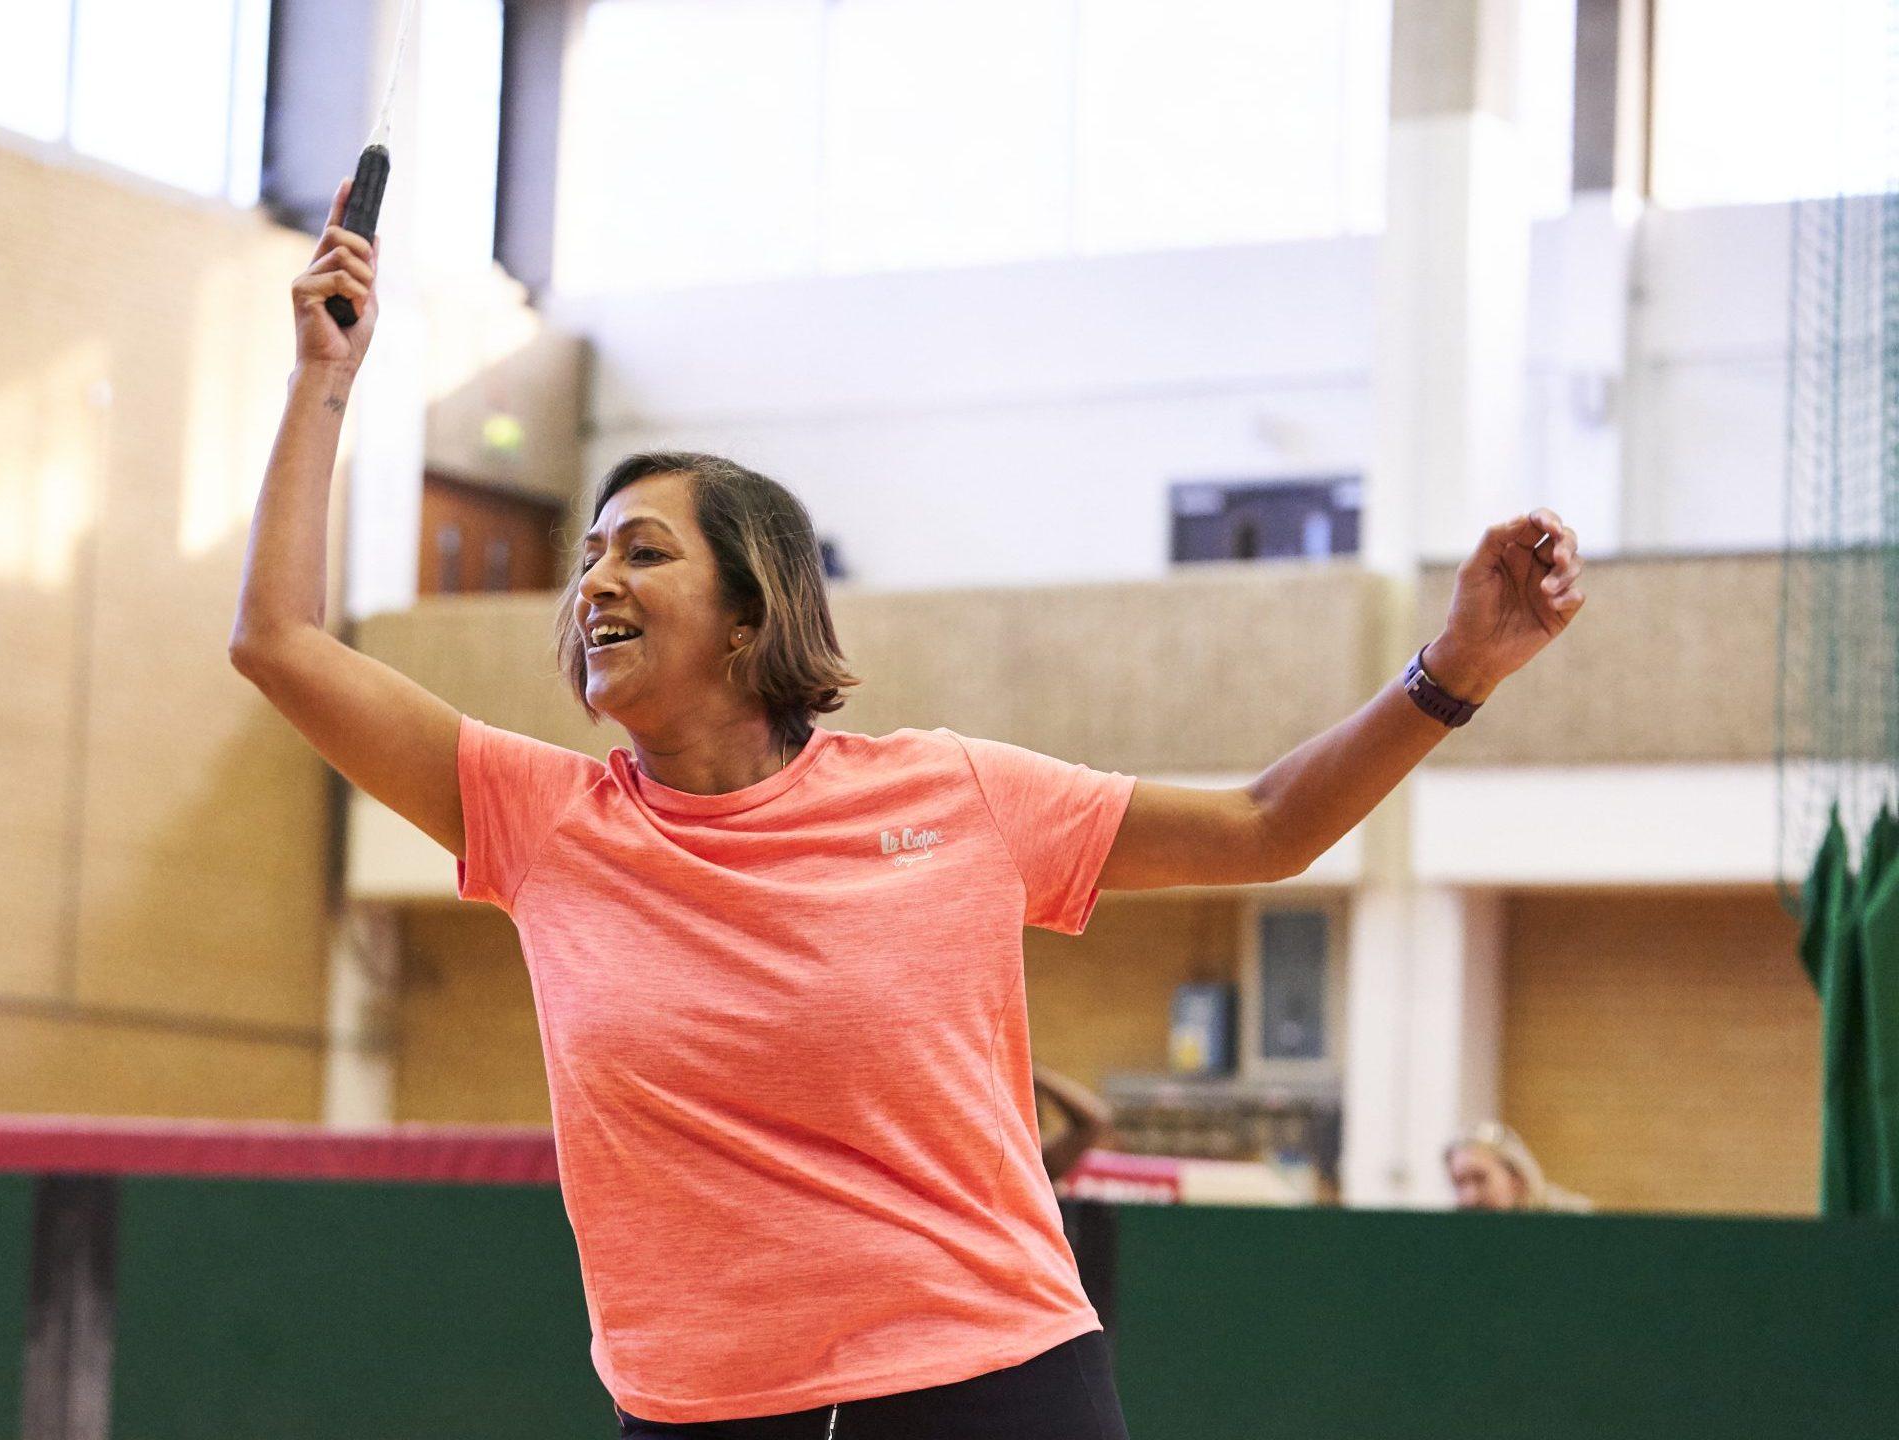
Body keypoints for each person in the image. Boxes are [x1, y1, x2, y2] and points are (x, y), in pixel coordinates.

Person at [231, 181, 1588, 1439]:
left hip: (986, 1385)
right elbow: (281, 642)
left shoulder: (953, 796)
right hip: (700, 1411)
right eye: (584, 557)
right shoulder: (542, 823)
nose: (595, 582)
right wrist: (321, 384)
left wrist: (1454, 668)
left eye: (643, 551)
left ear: (754, 609)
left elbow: (1267, 827)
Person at [1447, 1120, 1594, 1213]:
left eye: (1480, 1178)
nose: (1470, 1197)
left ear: (1516, 1179)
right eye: (1459, 1183)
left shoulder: (1573, 1221)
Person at [1033, 1066, 1115, 1186]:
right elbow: (1095, 1120)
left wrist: (1033, 1073)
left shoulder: (1036, 1158)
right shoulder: (1025, 1158)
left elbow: (1095, 1120)